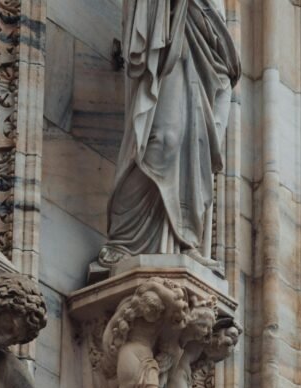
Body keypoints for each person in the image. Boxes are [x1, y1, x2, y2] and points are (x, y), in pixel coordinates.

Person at [99, 0, 241, 264]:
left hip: (209, 43)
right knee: (164, 139)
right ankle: (125, 238)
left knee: (196, 148)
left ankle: (184, 240)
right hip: (171, 33)